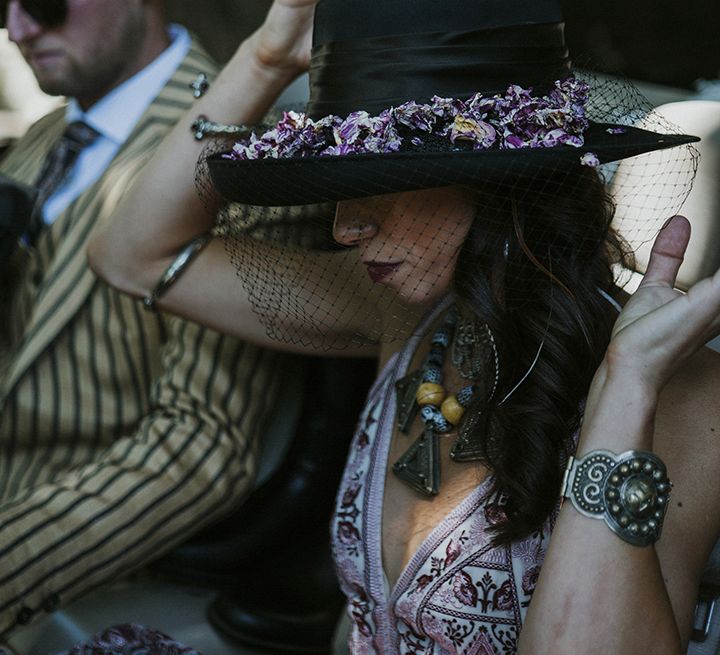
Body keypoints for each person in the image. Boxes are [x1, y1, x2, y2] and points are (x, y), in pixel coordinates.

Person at [86, 0, 720, 652]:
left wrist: (625, 391)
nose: (342, 228)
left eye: (379, 180)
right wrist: (266, 59)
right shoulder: (405, 310)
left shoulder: (679, 396)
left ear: (490, 180)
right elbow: (133, 257)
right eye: (337, 183)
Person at [0, 0, 288, 637]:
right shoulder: (39, 142)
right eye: (3, 9)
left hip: (81, 575)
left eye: (44, 4)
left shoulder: (243, 150)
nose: (19, 30)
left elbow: (201, 443)